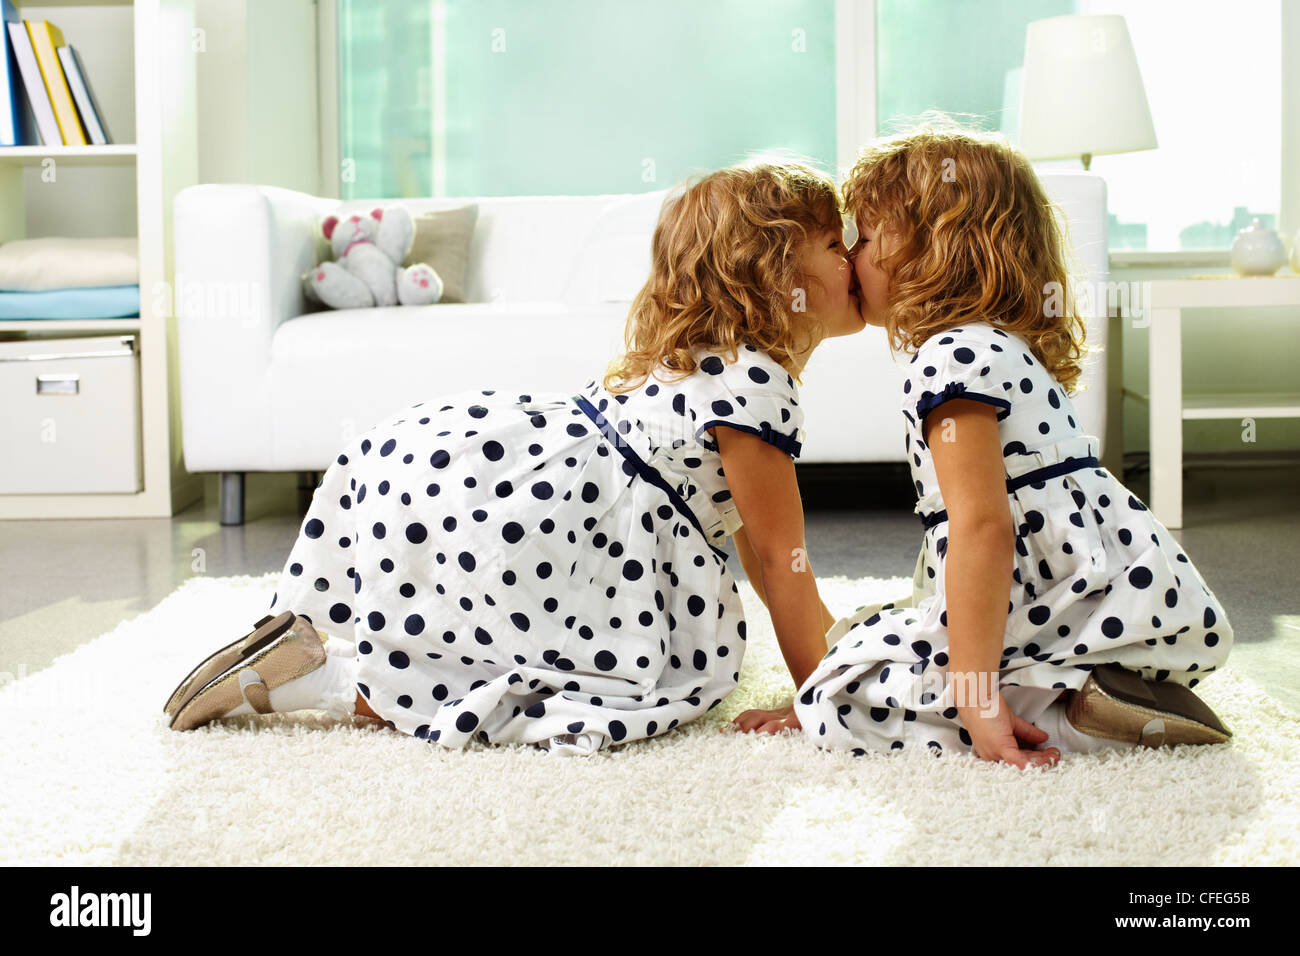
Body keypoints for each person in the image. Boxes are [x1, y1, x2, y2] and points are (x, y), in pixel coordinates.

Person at [164, 159, 865, 755]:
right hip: (575, 530)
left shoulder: (705, 359)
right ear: (775, 273)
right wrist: (819, 696)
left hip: (518, 471)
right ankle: (321, 681)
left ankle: (309, 645)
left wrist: (827, 647)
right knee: (559, 685)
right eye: (836, 243)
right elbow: (780, 558)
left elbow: (751, 542)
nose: (853, 257)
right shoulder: (755, 389)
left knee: (477, 637)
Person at [745, 121, 1233, 765]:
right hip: (1102, 601)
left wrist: (974, 698)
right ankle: (1091, 684)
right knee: (871, 633)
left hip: (1044, 600)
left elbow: (983, 528)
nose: (852, 257)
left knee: (848, 684)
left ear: (933, 249)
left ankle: (1068, 718)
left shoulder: (948, 359)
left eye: (864, 236)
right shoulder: (998, 343)